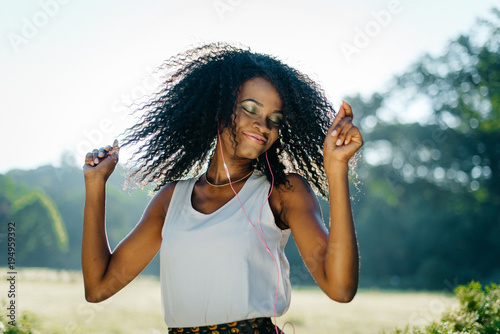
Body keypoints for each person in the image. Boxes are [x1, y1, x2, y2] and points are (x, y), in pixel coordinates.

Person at [82, 43, 363, 334]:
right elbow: (98, 287)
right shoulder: (171, 199)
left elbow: (341, 288)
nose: (262, 125)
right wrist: (95, 185)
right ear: (220, 109)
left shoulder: (283, 192)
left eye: (274, 119)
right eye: (250, 109)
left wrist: (336, 168)